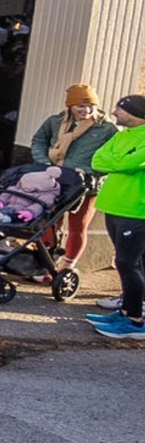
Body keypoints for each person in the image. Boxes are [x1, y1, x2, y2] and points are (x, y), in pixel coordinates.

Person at [30, 84, 113, 277]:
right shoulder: (55, 122)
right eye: (80, 106)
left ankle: (67, 266)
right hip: (53, 179)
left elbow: (111, 156)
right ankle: (44, 264)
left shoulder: (107, 128)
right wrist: (43, 163)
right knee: (50, 223)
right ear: (70, 106)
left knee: (78, 225)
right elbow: (39, 141)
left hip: (85, 184)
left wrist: (91, 171)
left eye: (91, 106)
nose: (86, 111)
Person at [86, 95, 145, 337]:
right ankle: (125, 312)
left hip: (135, 209)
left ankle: (134, 319)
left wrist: (117, 161)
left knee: (126, 263)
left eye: (120, 109)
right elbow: (97, 159)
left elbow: (132, 162)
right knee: (128, 262)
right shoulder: (121, 136)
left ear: (136, 113)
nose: (113, 113)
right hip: (112, 205)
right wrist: (121, 161)